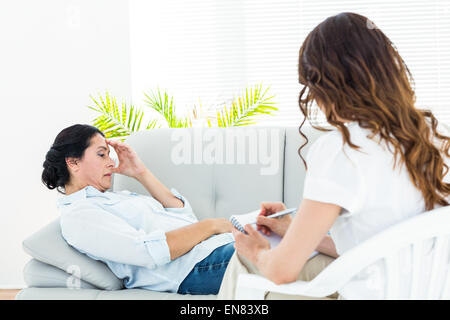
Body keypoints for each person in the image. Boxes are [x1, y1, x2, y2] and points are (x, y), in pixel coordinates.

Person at [218, 12, 450, 300]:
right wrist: (294, 230)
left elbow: (282, 271)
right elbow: (377, 245)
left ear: (325, 85)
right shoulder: (438, 134)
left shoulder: (342, 149)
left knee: (246, 262)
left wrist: (259, 251)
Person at [41, 124, 235, 294]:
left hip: (213, 249)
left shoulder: (113, 197)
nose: (111, 162)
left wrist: (141, 173)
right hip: (195, 267)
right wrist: (210, 226)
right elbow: (148, 252)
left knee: (265, 227)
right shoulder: (79, 215)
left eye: (109, 154)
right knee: (263, 251)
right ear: (73, 162)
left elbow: (183, 216)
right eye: (101, 154)